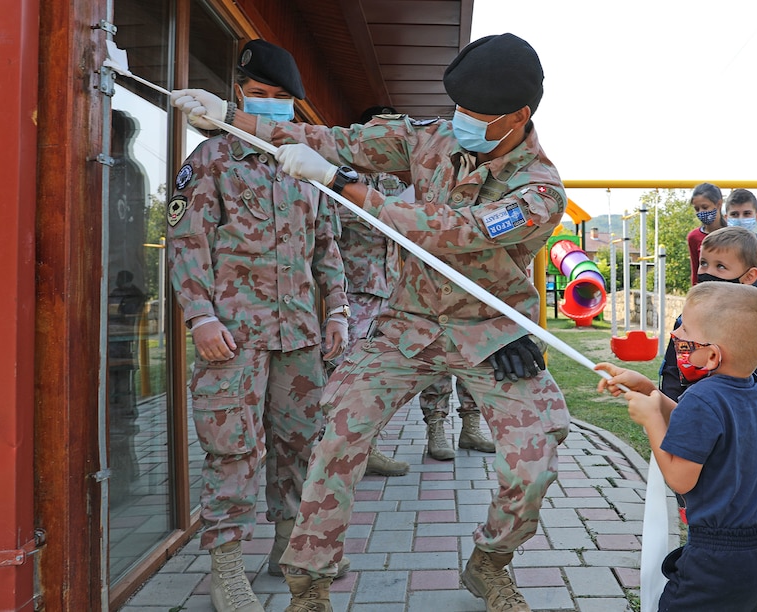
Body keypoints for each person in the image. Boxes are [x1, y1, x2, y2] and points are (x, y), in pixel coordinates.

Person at [172, 33, 568, 611]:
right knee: (334, 431)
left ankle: (490, 564)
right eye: (455, 109)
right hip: (406, 326)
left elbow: (450, 232)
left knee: (534, 457)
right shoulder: (426, 138)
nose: (457, 122)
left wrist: (339, 183)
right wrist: (230, 117)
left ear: (518, 117)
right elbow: (327, 139)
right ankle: (309, 585)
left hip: (490, 334)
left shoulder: (538, 190)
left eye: (474, 116)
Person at [166, 39, 349, 612]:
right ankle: (227, 565)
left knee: (300, 443)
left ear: (295, 104)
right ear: (239, 94)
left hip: (299, 336)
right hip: (233, 338)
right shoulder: (211, 159)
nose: (269, 105)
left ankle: (289, 548)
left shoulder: (304, 163)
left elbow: (327, 247)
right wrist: (198, 317)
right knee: (234, 450)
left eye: (280, 98)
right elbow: (185, 242)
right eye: (259, 95)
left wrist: (338, 310)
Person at [596, 282, 757, 612]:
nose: (676, 334)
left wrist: (651, 421)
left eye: (684, 328)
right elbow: (700, 425)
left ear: (712, 354)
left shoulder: (704, 397)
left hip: (718, 561)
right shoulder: (749, 385)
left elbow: (681, 479)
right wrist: (647, 390)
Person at [332, 106, 495, 474]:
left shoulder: (394, 181)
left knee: (454, 355)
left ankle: (462, 427)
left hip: (395, 288)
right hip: (355, 290)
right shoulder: (341, 177)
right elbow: (335, 228)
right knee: (357, 372)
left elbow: (421, 224)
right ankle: (359, 448)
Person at [660, 227, 757, 475]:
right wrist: (669, 420)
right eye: (704, 263)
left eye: (721, 266)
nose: (708, 272)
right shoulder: (686, 322)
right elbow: (671, 373)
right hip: (695, 425)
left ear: (749, 275)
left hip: (749, 430)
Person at [106, 110, 149, 504]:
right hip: (123, 287)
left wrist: (122, 287)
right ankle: (124, 464)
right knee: (119, 374)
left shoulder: (122, 174)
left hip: (119, 290)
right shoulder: (126, 172)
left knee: (118, 376)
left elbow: (122, 237)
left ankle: (120, 467)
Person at [686, 182, 727, 286]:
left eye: (705, 207)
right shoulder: (694, 237)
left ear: (718, 204)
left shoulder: (732, 234)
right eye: (697, 209)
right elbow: (695, 270)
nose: (701, 212)